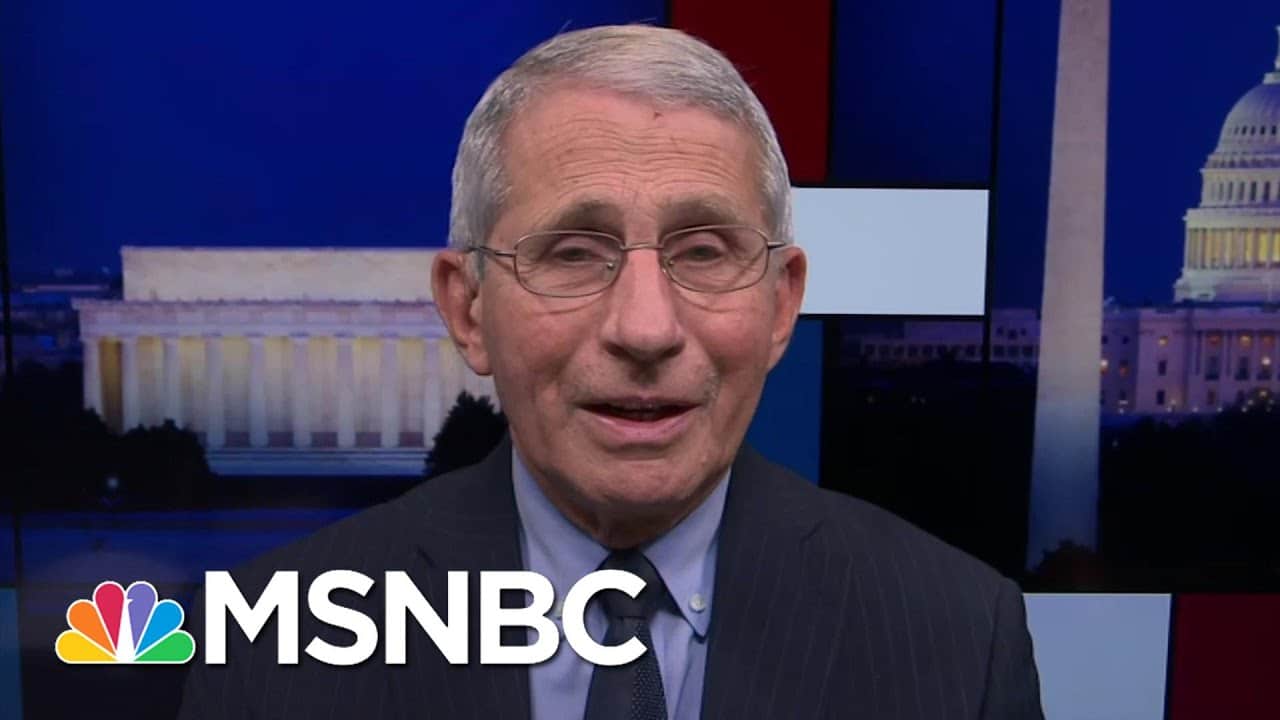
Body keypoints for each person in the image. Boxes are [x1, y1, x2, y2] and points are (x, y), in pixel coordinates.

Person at [178, 24, 1043, 719]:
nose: (646, 329)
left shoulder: (961, 640)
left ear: (782, 305)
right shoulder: (271, 644)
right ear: (469, 309)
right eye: (572, 253)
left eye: (703, 252)